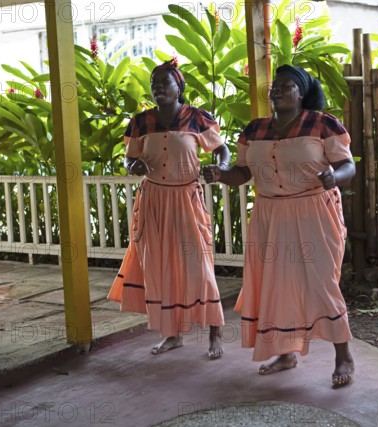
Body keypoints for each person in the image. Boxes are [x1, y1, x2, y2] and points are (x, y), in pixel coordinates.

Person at [203, 64, 356, 387]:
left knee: (321, 283)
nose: (277, 90)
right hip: (269, 214)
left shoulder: (322, 124)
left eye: (286, 86)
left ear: (302, 93)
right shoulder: (254, 130)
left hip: (314, 210)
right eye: (275, 86)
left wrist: (334, 178)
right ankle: (286, 353)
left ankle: (343, 356)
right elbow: (243, 173)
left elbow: (347, 165)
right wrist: (220, 175)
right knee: (277, 283)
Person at [108, 60, 230, 358]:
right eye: (154, 83)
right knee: (160, 267)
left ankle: (215, 333)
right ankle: (172, 335)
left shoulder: (197, 118)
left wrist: (222, 168)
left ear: (180, 87)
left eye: (165, 82)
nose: (158, 87)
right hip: (153, 201)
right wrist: (132, 165)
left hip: (187, 199)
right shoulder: (140, 122)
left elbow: (222, 150)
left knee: (199, 266)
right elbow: (129, 158)